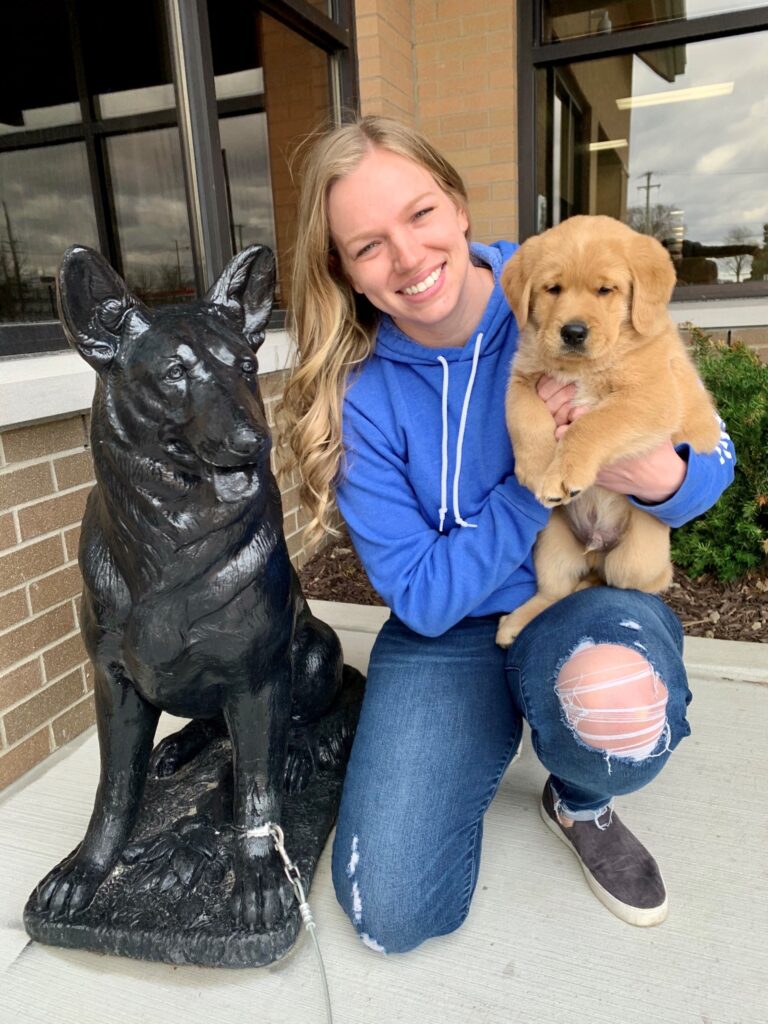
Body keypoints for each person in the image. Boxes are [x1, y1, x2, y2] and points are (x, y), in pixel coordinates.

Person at [281, 115, 734, 954]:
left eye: (420, 215)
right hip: (446, 631)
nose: (410, 259)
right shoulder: (364, 396)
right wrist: (538, 484)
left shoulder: (565, 282)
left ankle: (580, 793)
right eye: (369, 245)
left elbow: (708, 453)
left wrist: (661, 476)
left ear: (456, 207)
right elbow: (417, 594)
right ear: (342, 268)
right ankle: (484, 724)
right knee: (392, 913)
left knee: (618, 706)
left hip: (578, 599)